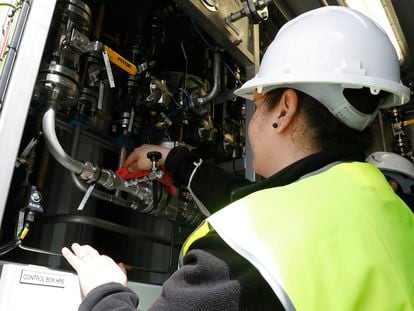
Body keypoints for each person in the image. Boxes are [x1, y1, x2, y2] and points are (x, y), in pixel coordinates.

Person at [62, 6, 414, 310]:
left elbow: (262, 226)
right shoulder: (393, 210)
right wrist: (173, 160)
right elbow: (255, 202)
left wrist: (103, 289)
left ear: (284, 110)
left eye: (259, 97)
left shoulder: (248, 253)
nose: (254, 108)